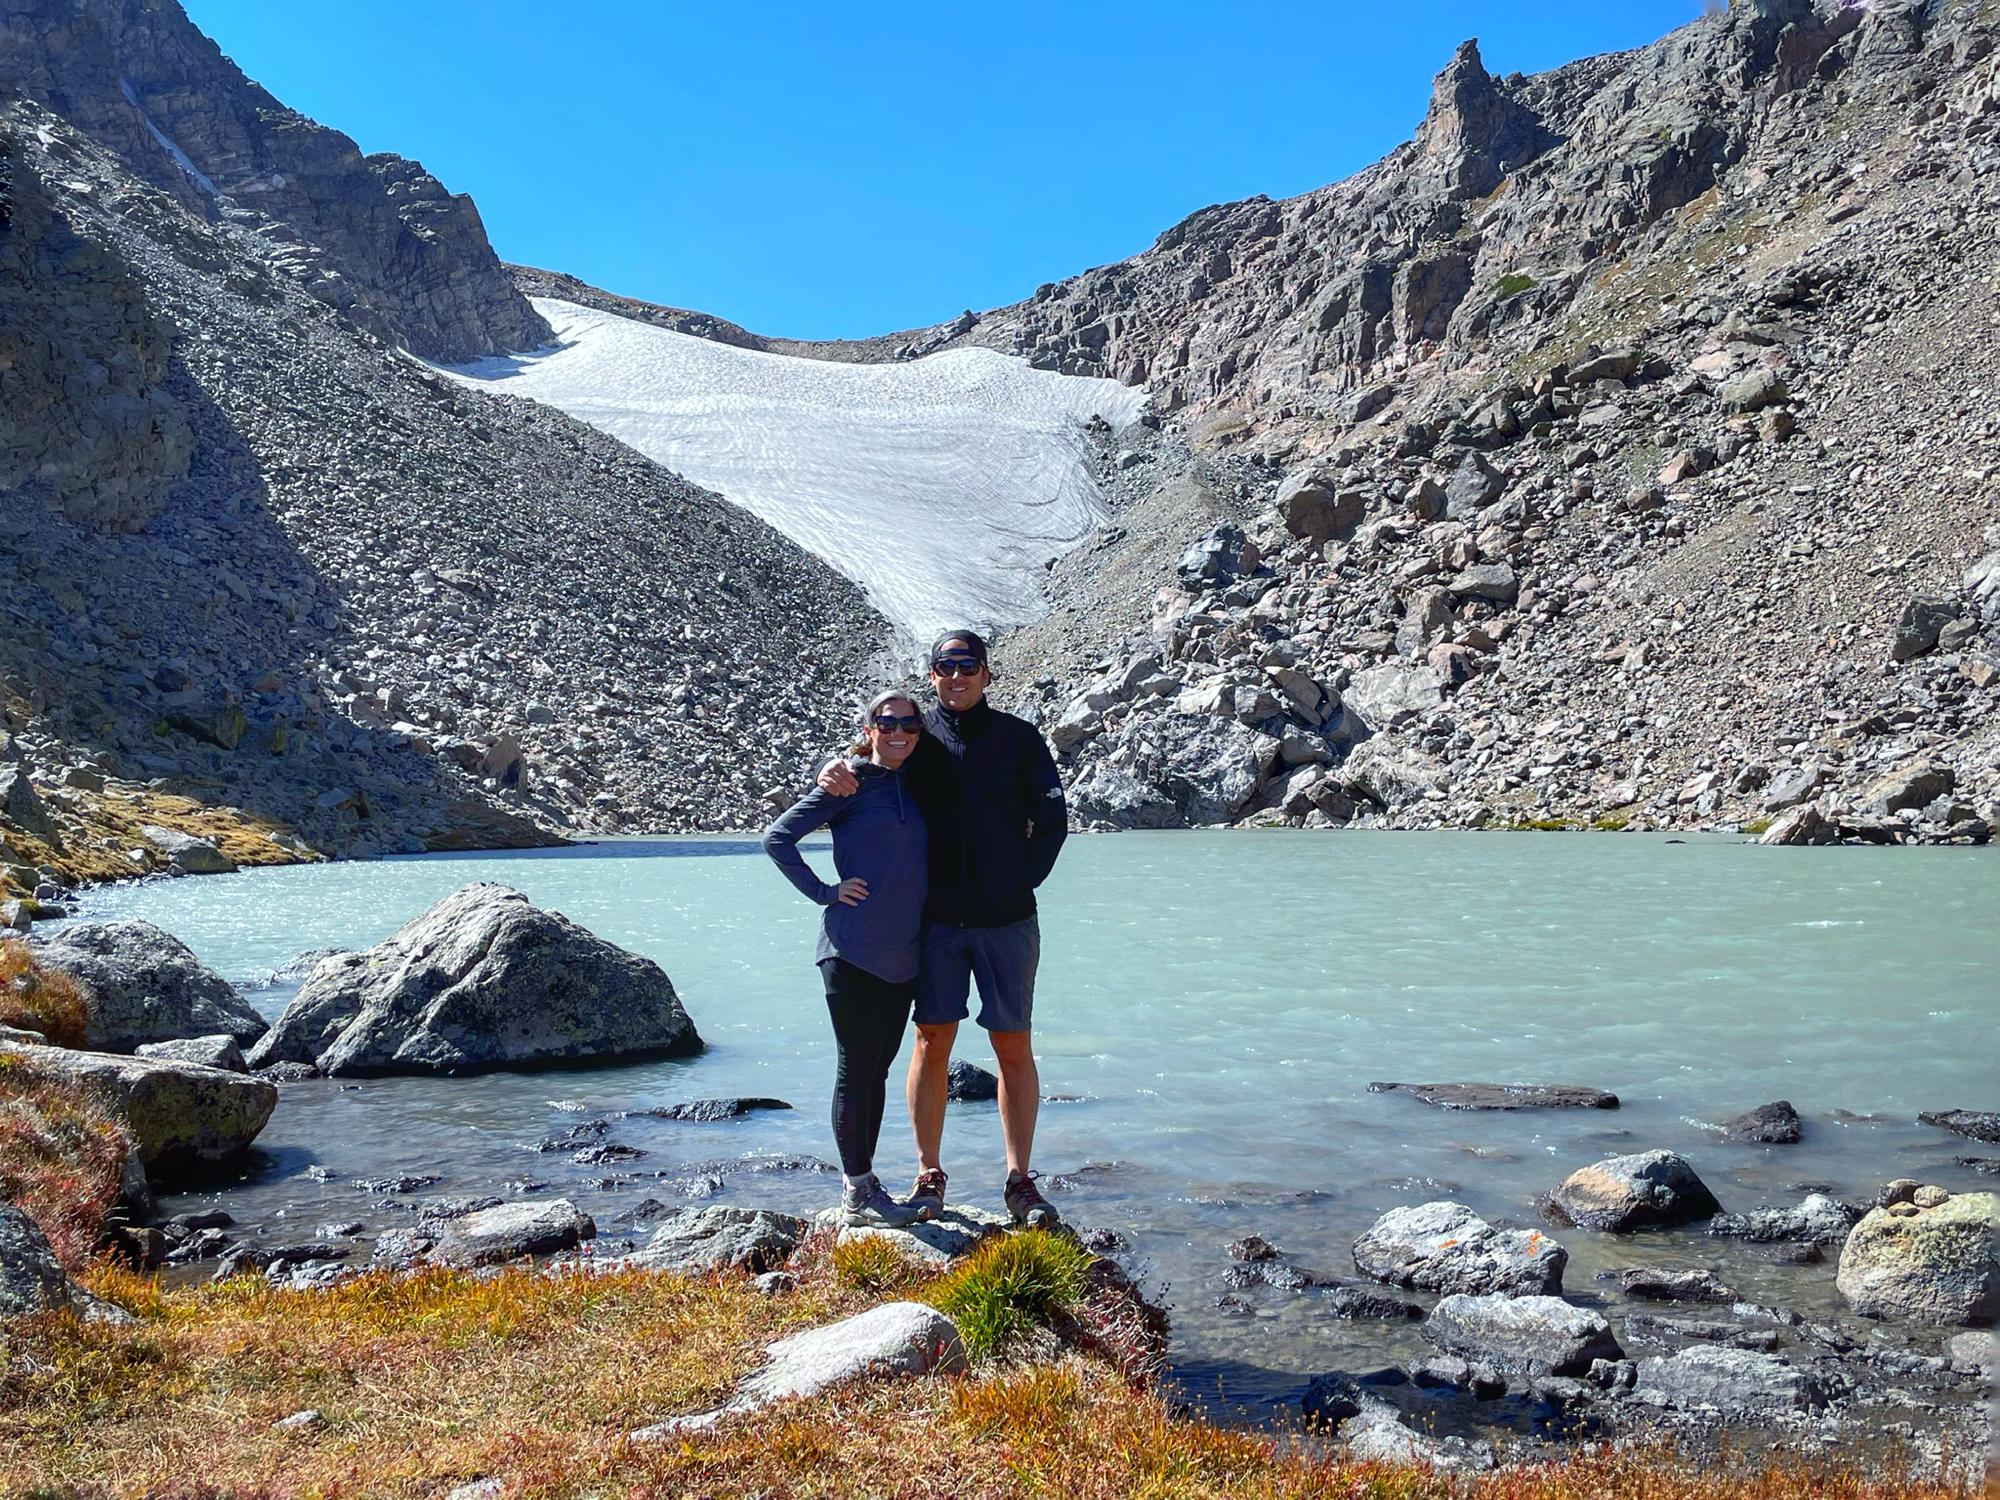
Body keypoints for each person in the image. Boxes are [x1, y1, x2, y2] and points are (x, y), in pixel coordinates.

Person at [818, 630, 1068, 1229]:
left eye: (968, 665)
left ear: (986, 673)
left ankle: (1019, 1180)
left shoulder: (1018, 738)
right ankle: (929, 1174)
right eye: (945, 666)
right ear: (931, 674)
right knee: (932, 1040)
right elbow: (873, 760)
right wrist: (835, 767)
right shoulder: (918, 736)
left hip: (1007, 921)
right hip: (934, 924)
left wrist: (1017, 883)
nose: (956, 675)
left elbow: (1053, 820)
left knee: (1013, 1043)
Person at [763, 690, 929, 1227]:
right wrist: (824, 891)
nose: (898, 731)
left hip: (904, 954)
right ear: (870, 728)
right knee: (856, 1069)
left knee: (876, 1071)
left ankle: (864, 1184)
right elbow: (778, 838)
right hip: (851, 949)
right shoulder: (852, 782)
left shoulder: (923, 781)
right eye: (887, 722)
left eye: (908, 723)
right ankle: (857, 1193)